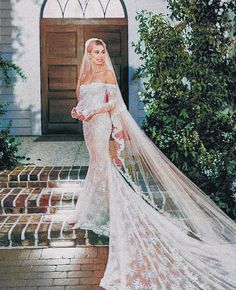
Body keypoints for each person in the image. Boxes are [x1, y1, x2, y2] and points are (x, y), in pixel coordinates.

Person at [69, 38, 236, 290]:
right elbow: (82, 102)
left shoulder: (106, 73)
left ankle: (111, 207)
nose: (100, 56)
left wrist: (94, 112)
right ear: (88, 55)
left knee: (104, 164)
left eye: (102, 51)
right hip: (88, 127)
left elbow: (114, 102)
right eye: (95, 53)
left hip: (101, 123)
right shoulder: (84, 76)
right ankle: (91, 208)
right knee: (95, 163)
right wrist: (79, 111)